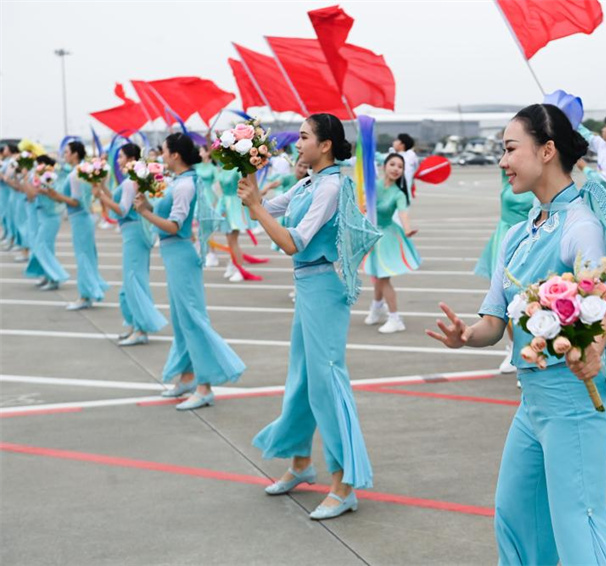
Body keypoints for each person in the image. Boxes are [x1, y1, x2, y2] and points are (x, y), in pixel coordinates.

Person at [428, 103, 606, 565]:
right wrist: (466, 335)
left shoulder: (581, 226)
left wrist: (594, 347)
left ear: (546, 151)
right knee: (516, 516)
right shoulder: (518, 235)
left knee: (578, 524)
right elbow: (493, 324)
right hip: (532, 402)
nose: (502, 161)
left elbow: (601, 300)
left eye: (510, 149)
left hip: (573, 400)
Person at [238, 113, 376, 521]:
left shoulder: (330, 186)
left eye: (303, 137)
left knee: (326, 381)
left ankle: (344, 483)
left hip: (324, 288)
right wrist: (247, 166)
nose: (297, 144)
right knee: (301, 377)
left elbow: (293, 242)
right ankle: (300, 463)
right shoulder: (308, 183)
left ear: (325, 144)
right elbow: (261, 210)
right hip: (307, 288)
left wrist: (257, 207)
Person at [133, 133, 245, 410]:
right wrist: (146, 205)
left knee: (193, 319)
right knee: (181, 319)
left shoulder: (184, 185)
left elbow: (174, 226)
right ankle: (187, 377)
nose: (161, 155)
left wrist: (145, 213)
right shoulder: (179, 181)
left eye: (164, 151)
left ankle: (204, 386)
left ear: (175, 155)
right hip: (173, 255)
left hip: (181, 254)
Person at [94, 143, 167, 346]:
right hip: (133, 233)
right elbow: (118, 200)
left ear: (131, 159)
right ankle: (136, 325)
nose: (118, 161)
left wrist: (101, 197)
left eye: (121, 157)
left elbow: (123, 209)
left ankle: (141, 329)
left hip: (133, 234)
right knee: (131, 281)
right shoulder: (131, 181)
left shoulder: (130, 182)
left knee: (134, 280)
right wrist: (102, 188)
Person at [474, 166, 536, 375]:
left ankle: (531, 352)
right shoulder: (509, 177)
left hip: (527, 240)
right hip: (503, 237)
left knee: (527, 297)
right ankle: (512, 349)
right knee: (505, 298)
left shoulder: (537, 182)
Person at [43, 141, 109, 310]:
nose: (64, 155)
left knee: (84, 258)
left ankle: (85, 296)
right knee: (87, 257)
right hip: (81, 219)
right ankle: (89, 291)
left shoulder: (76, 174)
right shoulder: (81, 171)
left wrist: (56, 195)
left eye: (67, 152)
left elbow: (75, 201)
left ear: (75, 154)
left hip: (80, 219)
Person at [363, 153, 421, 334]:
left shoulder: (399, 194)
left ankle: (395, 318)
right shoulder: (373, 186)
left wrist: (408, 229)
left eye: (400, 167)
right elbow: (362, 206)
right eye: (393, 164)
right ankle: (377, 306)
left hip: (387, 237)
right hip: (371, 233)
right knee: (378, 275)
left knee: (383, 276)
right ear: (384, 166)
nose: (396, 169)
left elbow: (403, 213)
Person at [23, 154, 69, 291]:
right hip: (42, 215)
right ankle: (48, 276)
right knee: (44, 247)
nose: (35, 168)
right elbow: (31, 196)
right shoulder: (40, 178)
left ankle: (56, 276)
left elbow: (55, 195)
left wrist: (40, 188)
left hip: (51, 216)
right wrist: (27, 179)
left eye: (37, 165)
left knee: (42, 246)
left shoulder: (53, 178)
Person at [392, 133, 419, 198]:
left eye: (397, 140)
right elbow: (416, 169)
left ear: (402, 144)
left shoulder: (395, 157)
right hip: (405, 192)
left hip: (399, 192)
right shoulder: (412, 155)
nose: (394, 142)